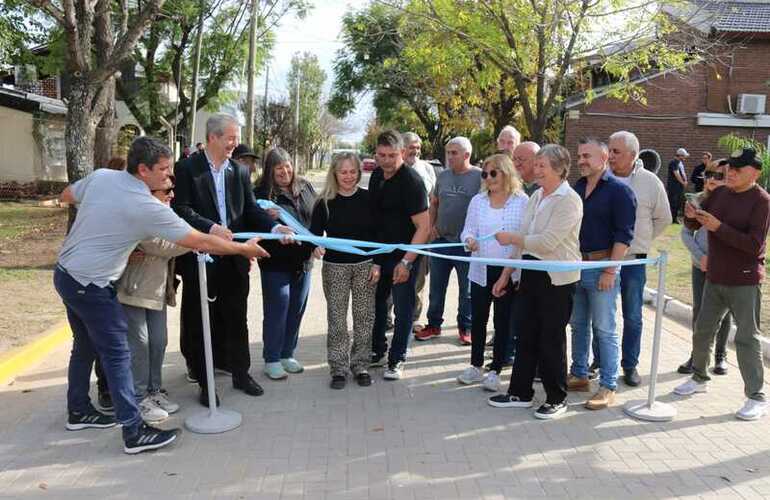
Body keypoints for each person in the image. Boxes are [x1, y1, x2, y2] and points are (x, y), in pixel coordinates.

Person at [55, 136, 269, 454]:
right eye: (164, 170)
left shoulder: (103, 178)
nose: (170, 177)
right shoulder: (144, 205)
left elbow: (66, 195)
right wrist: (243, 248)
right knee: (118, 356)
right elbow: (201, 241)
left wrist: (100, 220)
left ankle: (78, 411)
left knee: (84, 346)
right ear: (143, 170)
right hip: (91, 284)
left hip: (66, 274)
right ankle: (133, 431)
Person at [173, 113, 294, 406]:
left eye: (236, 138)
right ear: (212, 137)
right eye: (230, 138)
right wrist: (211, 228)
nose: (234, 144)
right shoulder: (188, 168)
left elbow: (250, 210)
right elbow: (181, 209)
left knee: (237, 318)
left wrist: (274, 227)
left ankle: (241, 374)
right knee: (202, 321)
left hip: (235, 259)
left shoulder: (238, 172)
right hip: (202, 259)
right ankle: (205, 383)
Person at [487, 144, 582, 420]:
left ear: (560, 170)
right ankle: (520, 392)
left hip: (557, 278)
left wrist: (513, 238)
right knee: (525, 333)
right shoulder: (537, 196)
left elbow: (549, 242)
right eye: (536, 165)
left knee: (551, 338)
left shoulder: (569, 200)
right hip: (530, 272)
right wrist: (506, 274)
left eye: (543, 166)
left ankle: (556, 398)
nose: (536, 170)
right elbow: (524, 236)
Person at [675, 148, 770, 421]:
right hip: (715, 276)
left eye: (739, 169)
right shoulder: (719, 194)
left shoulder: (762, 201)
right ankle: (699, 377)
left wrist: (718, 227)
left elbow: (754, 246)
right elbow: (695, 224)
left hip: (744, 279)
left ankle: (756, 396)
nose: (731, 173)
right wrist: (692, 214)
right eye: (730, 167)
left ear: (756, 173)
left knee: (746, 338)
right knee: (702, 330)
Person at [568, 138, 636, 411]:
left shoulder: (620, 191)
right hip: (577, 266)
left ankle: (608, 385)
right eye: (580, 156)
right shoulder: (578, 187)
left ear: (604, 158)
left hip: (602, 267)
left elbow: (624, 235)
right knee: (578, 324)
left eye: (587, 156)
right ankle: (580, 374)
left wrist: (610, 269)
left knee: (605, 329)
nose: (582, 160)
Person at [116, 178, 189, 423]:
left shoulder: (166, 214)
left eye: (172, 189)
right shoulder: (141, 215)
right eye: (167, 190)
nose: (171, 195)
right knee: (141, 344)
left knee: (159, 341)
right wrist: (198, 240)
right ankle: (137, 399)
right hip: (134, 290)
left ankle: (154, 390)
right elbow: (163, 246)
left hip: (158, 291)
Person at [606, 131, 672, 386]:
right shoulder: (601, 179)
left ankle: (630, 365)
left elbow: (664, 218)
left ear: (633, 155)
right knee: (602, 316)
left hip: (634, 261)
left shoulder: (650, 182)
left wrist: (640, 240)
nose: (610, 156)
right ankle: (601, 360)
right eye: (610, 151)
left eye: (616, 152)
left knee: (632, 315)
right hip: (603, 260)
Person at [457, 153, 527, 391]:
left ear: (507, 173)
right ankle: (476, 365)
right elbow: (467, 230)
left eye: (493, 173)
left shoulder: (522, 201)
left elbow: (522, 241)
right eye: (485, 174)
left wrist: (508, 273)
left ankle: (496, 369)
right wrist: (469, 240)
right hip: (479, 269)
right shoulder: (478, 201)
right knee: (478, 319)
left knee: (503, 321)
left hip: (508, 270)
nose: (488, 178)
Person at [310, 153, 379, 389]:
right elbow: (313, 234)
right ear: (335, 173)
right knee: (337, 319)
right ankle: (338, 368)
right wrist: (315, 245)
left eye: (352, 172)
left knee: (364, 317)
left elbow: (380, 236)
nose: (348, 176)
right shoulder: (324, 202)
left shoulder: (370, 199)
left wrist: (377, 263)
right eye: (343, 172)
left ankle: (360, 365)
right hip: (335, 268)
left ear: (358, 173)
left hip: (365, 266)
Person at [369, 130, 430, 380]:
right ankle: (377, 350)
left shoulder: (412, 182)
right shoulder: (375, 176)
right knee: (378, 304)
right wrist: (373, 257)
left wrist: (406, 262)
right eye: (381, 155)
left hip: (405, 255)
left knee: (403, 309)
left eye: (392, 155)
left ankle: (398, 358)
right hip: (380, 254)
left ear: (402, 153)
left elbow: (424, 228)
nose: (386, 161)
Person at [254, 147, 317, 380]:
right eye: (278, 167)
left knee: (297, 308)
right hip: (275, 263)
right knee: (277, 309)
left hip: (304, 261)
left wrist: (318, 241)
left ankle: (287, 354)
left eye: (287, 165)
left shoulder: (305, 187)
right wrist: (266, 220)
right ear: (269, 169)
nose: (284, 171)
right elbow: (251, 220)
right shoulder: (260, 193)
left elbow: (317, 215)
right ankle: (271, 358)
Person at [415, 136, 480, 345]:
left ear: (467, 155)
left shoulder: (479, 177)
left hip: (466, 246)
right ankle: (434, 325)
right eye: (448, 152)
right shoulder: (442, 176)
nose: (450, 157)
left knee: (466, 291)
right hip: (441, 242)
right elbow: (434, 203)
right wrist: (431, 227)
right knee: (436, 288)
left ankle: (466, 328)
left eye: (454, 153)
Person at [678, 159, 733, 376]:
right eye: (709, 174)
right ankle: (697, 355)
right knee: (699, 311)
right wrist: (701, 257)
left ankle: (720, 356)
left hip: (725, 267)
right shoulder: (696, 200)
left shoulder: (734, 204)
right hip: (699, 266)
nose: (712, 179)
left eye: (719, 176)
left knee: (724, 313)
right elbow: (685, 233)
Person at [401, 132, 436, 332]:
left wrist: (430, 226)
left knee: (419, 276)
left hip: (421, 231)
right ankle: (389, 315)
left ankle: (414, 317)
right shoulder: (393, 169)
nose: (415, 151)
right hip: (397, 233)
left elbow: (433, 199)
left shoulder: (427, 169)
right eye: (412, 147)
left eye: (418, 147)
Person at [667, 148, 689, 223]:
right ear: (680, 156)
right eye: (684, 156)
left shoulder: (679, 163)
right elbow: (676, 174)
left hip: (679, 187)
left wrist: (685, 181)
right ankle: (672, 219)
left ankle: (675, 218)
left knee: (679, 203)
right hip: (674, 187)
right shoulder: (674, 162)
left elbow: (682, 173)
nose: (685, 158)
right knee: (673, 203)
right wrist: (683, 182)